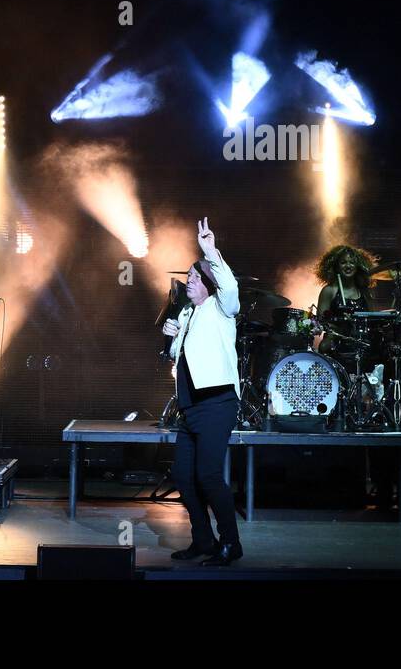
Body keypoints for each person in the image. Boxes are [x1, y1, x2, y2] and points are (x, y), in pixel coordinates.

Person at [161, 218, 243, 565]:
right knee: (183, 475)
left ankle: (231, 542)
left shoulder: (222, 308)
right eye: (189, 277)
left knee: (209, 475)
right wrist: (171, 335)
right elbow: (178, 359)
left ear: (208, 282)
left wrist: (210, 252)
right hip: (190, 407)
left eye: (194, 277)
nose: (188, 281)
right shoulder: (188, 313)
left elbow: (230, 286)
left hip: (216, 403)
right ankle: (203, 539)